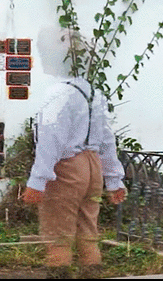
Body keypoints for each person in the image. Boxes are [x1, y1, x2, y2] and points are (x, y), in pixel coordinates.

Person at [22, 76, 127, 279]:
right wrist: (114, 180)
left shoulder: (59, 95)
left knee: (58, 225)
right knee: (87, 225)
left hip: (68, 166)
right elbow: (107, 139)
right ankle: (92, 271)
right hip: (93, 166)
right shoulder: (95, 94)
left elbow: (50, 138)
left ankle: (58, 272)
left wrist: (38, 180)